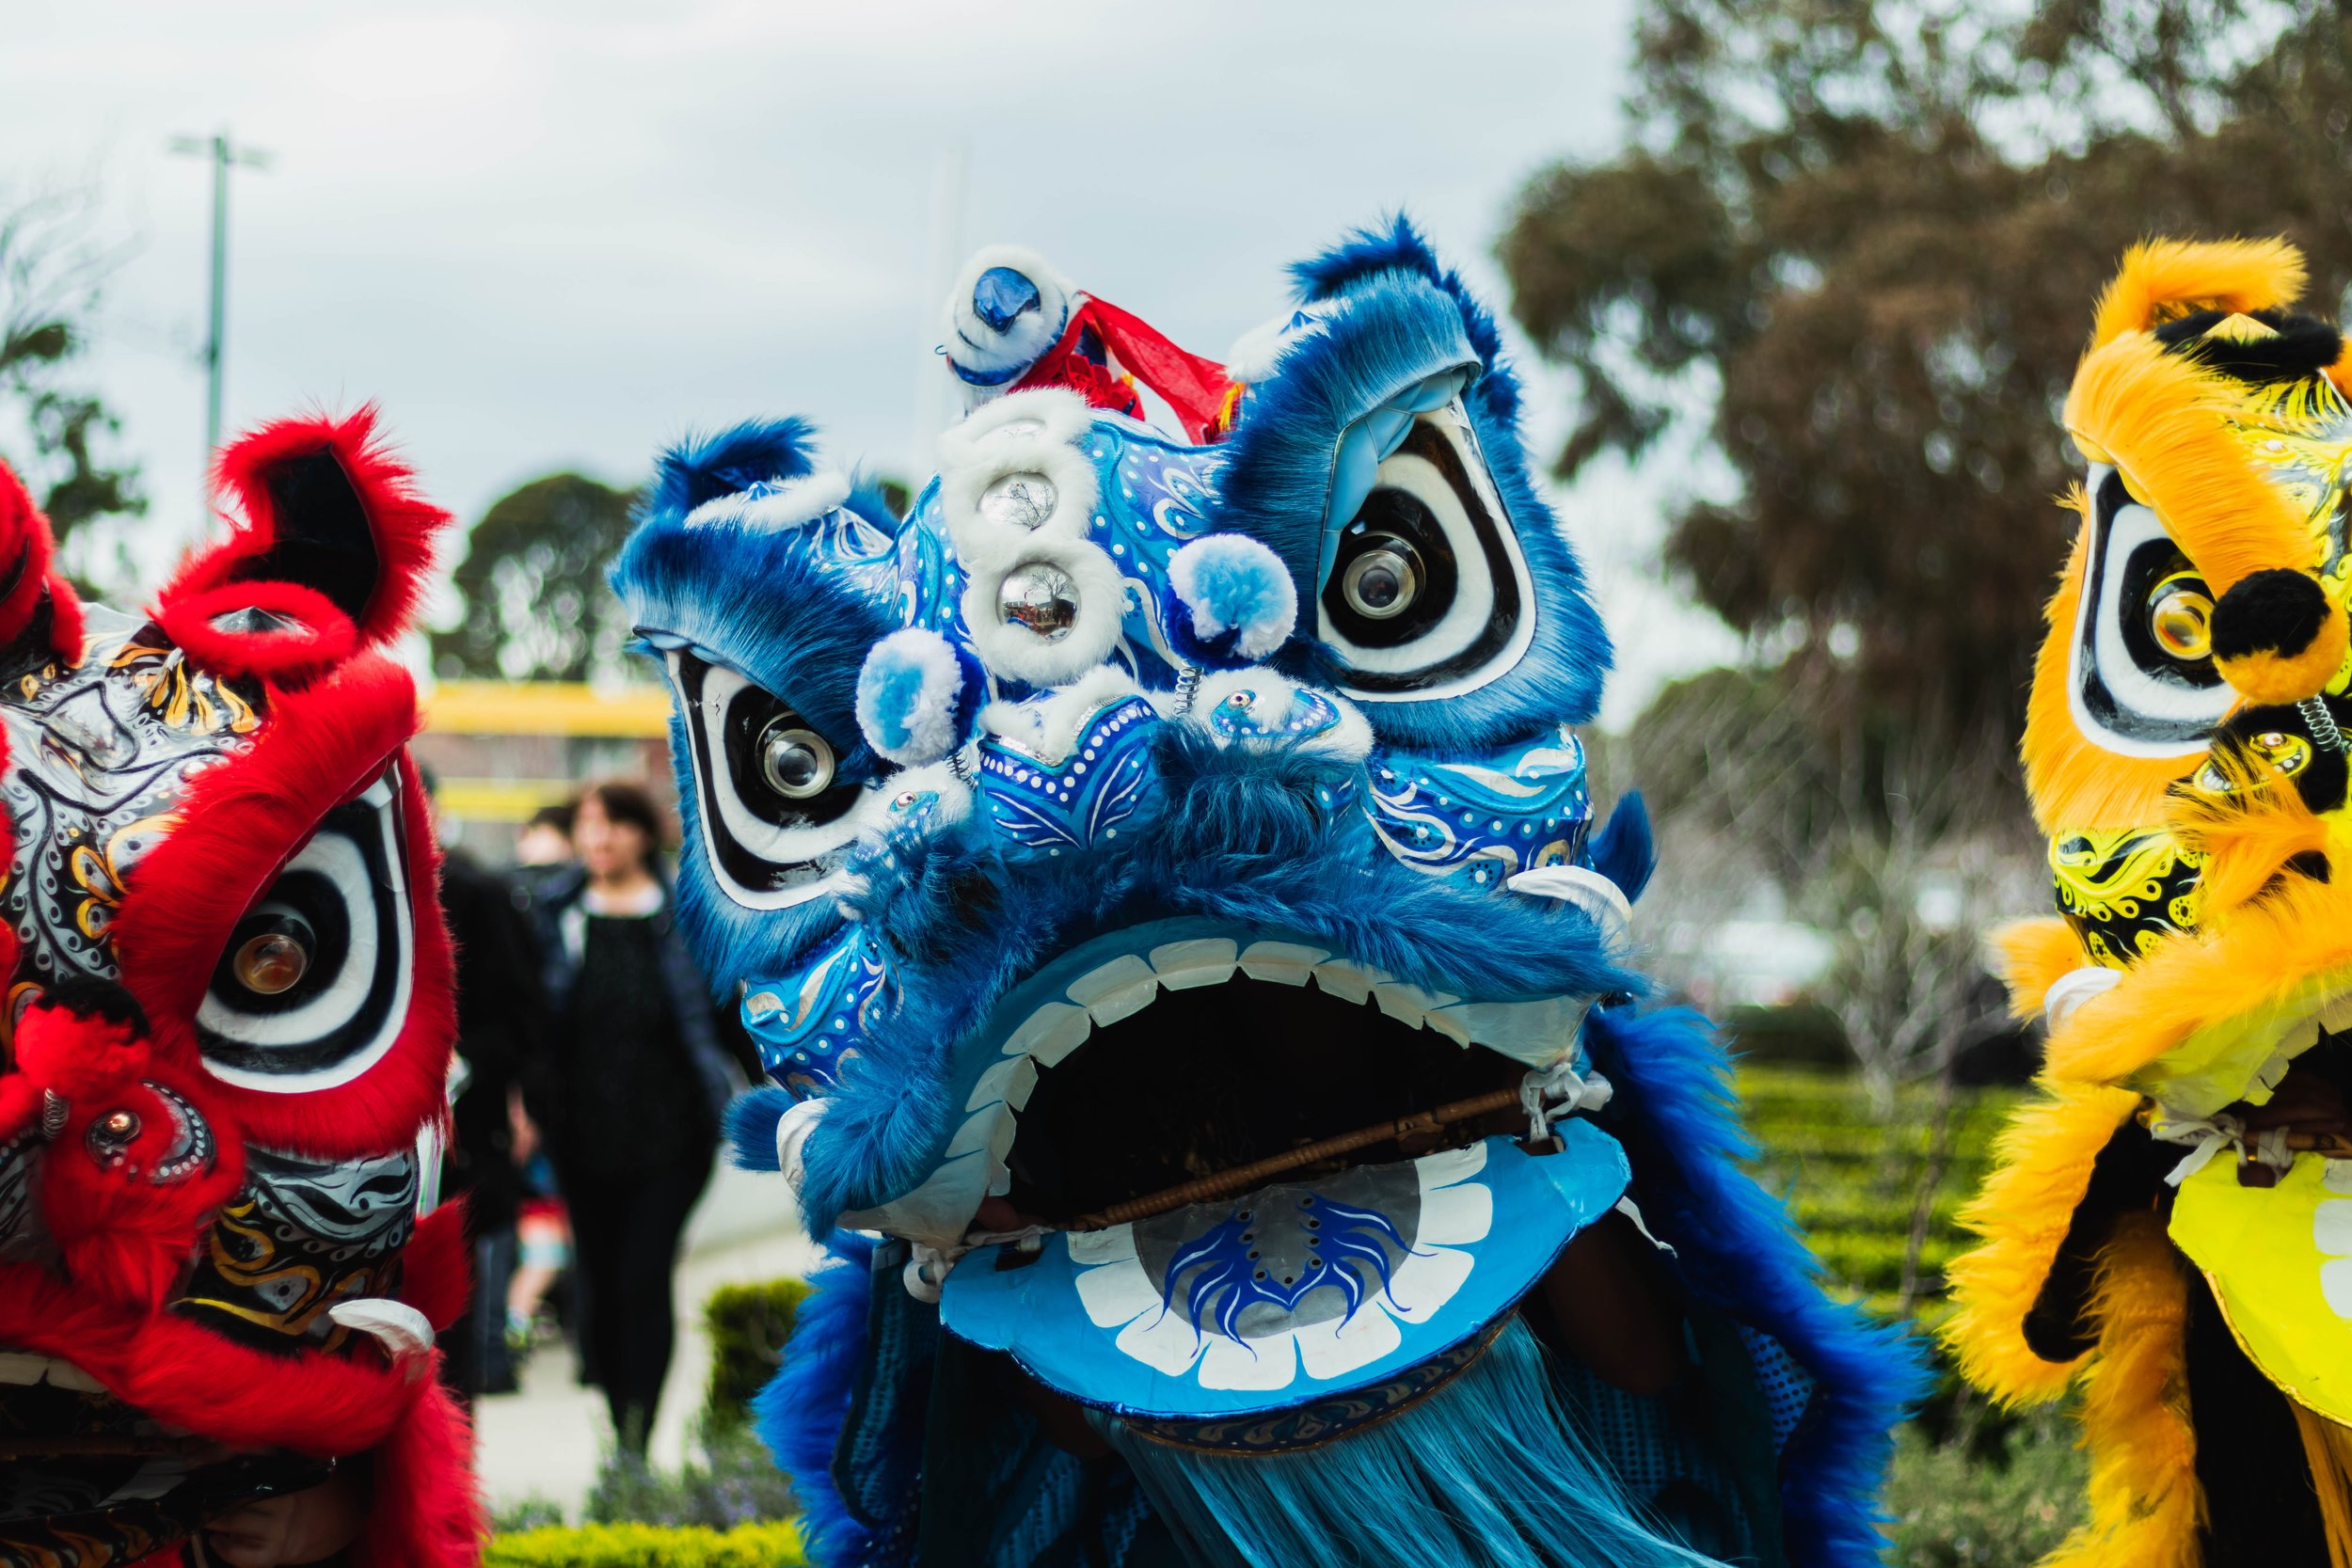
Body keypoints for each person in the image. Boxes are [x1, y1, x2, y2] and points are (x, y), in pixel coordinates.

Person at [522, 780, 742, 1453]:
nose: (600, 838)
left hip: (673, 1134)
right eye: (589, 825)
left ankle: (635, 1436)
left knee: (644, 1276)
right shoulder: (554, 913)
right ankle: (618, 1417)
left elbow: (728, 1015)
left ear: (643, 833)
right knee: (599, 1282)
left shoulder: (683, 911)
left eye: (614, 824)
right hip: (580, 1134)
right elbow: (530, 1021)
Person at [428, 772, 547, 1405]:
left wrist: (462, 1062)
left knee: (458, 1317)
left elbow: (521, 1013)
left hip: (464, 1135)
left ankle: (451, 1461)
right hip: (364, 1147)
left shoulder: (475, 894)